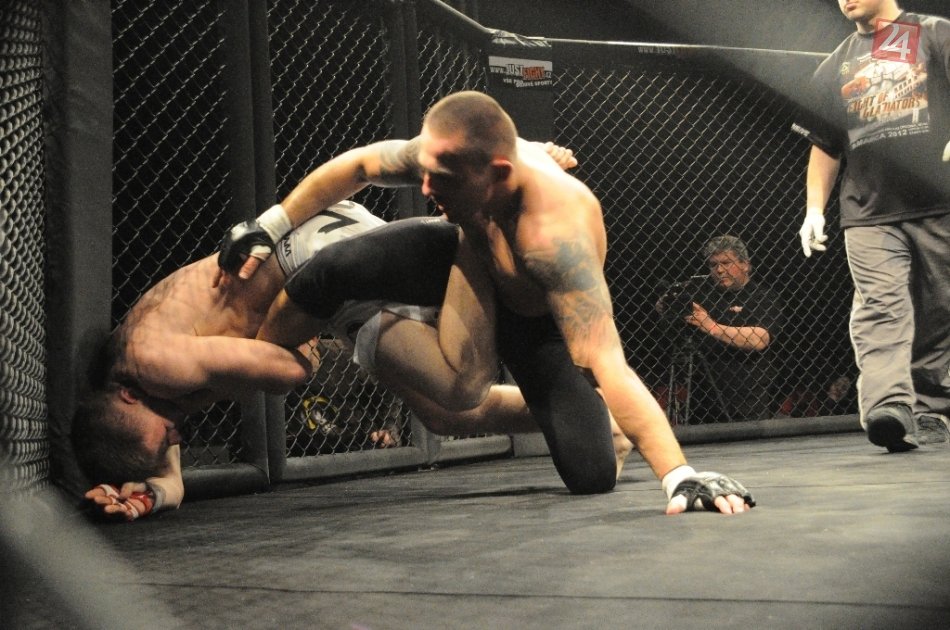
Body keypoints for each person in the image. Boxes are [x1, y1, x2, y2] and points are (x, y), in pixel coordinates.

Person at [227, 91, 755, 514]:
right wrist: (269, 225)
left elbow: (605, 360)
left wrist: (678, 473)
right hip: (463, 255)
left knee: (588, 474)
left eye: (442, 180)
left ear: (498, 173)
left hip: (532, 322)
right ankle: (252, 365)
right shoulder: (454, 155)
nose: (425, 187)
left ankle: (605, 424)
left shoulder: (556, 238)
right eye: (425, 172)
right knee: (334, 267)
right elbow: (360, 165)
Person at [76, 146, 634, 520]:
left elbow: (290, 369)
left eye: (163, 438)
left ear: (127, 399)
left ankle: (484, 223)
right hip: (318, 259)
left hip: (314, 262)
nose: (176, 438)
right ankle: (596, 414)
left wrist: (293, 350)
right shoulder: (145, 384)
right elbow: (168, 466)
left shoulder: (155, 364)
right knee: (445, 415)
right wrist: (150, 493)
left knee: (459, 385)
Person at [793, 0, 950, 452]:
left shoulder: (935, 34)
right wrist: (814, 210)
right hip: (868, 211)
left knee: (939, 309)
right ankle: (889, 407)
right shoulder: (835, 66)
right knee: (881, 307)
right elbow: (825, 144)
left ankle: (929, 408)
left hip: (939, 204)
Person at [656, 235, 781, 423]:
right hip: (702, 402)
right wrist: (667, 307)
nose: (720, 270)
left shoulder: (762, 297)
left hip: (747, 401)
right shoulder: (701, 294)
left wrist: (711, 326)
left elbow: (759, 339)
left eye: (726, 263)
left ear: (745, 265)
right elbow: (671, 330)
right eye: (713, 265)